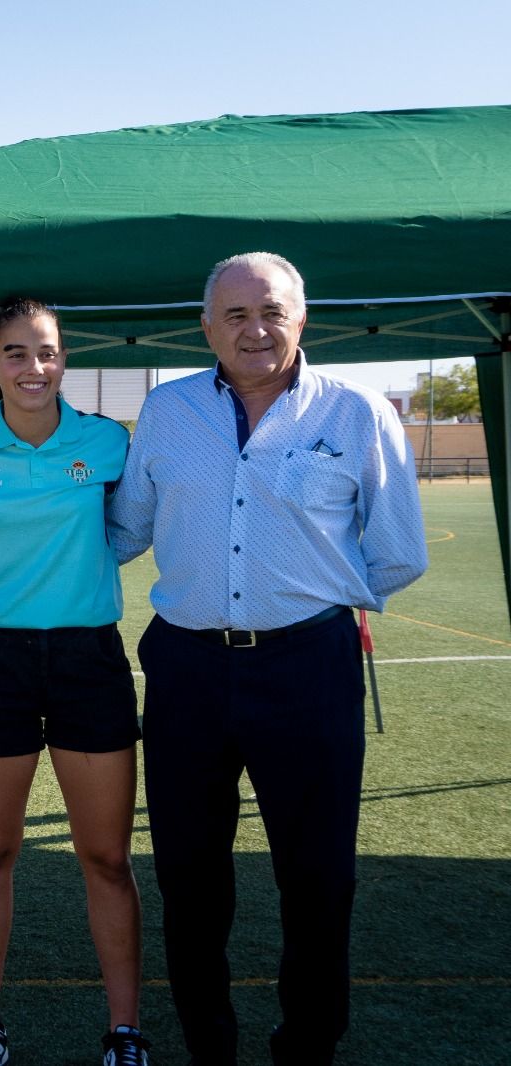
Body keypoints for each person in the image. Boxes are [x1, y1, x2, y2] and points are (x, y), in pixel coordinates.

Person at [109, 252, 428, 1066]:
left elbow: (397, 553)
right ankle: (208, 1049)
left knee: (318, 878)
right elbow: (124, 531)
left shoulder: (357, 412)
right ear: (207, 325)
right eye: (237, 315)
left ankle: (309, 1048)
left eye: (273, 312)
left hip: (308, 670)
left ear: (302, 318)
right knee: (188, 878)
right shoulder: (167, 411)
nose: (257, 329)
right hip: (185, 672)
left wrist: (312, 596)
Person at [0, 297, 151, 1066]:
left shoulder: (107, 442)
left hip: (90, 661)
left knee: (108, 858)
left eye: (48, 352)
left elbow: (134, 524)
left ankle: (125, 1032)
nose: (35, 367)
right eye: (16, 353)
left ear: (65, 360)